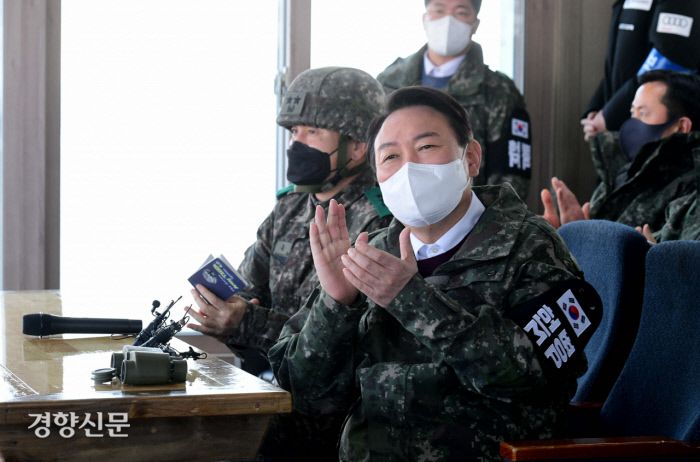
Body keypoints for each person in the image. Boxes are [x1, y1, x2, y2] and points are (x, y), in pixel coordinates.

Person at [270, 87, 601, 462]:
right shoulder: (370, 253)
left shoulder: (531, 246)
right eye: (391, 156)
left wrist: (410, 298)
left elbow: (526, 375)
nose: (409, 168)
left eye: (426, 147)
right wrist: (336, 304)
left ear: (470, 157)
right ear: (378, 178)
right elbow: (303, 392)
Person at [187, 66, 392, 461]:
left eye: (312, 132)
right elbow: (248, 290)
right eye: (294, 131)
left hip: (340, 427)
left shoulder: (380, 221)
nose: (297, 143)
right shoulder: (290, 206)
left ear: (357, 146)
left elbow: (353, 342)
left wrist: (247, 322)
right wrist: (227, 312)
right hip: (270, 401)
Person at [377, 0, 532, 200]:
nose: (448, 21)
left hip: (470, 213)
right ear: (425, 19)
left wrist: (476, 217)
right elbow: (372, 161)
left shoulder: (498, 90)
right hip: (394, 211)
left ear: (475, 24)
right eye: (439, 10)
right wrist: (384, 214)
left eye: (460, 12)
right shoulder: (389, 81)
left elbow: (511, 180)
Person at [543, 70, 700, 236]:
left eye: (643, 113)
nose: (633, 123)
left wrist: (649, 250)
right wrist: (576, 233)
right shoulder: (619, 175)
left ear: (681, 127)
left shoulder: (692, 188)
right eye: (633, 113)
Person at [582, 0, 700, 140]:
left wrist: (610, 114)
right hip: (625, 123)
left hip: (662, 131)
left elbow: (667, 61)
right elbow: (622, 62)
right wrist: (598, 107)